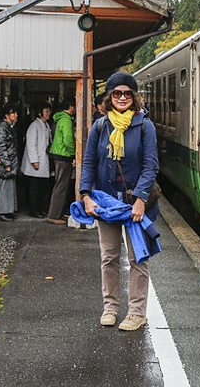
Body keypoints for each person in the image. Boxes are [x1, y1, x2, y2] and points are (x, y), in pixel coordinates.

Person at [79, 71, 159, 331]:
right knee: (109, 257)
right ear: (109, 97)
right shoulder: (101, 126)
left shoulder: (144, 125)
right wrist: (86, 196)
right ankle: (110, 307)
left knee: (138, 258)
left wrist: (140, 200)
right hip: (106, 203)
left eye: (127, 93)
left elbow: (150, 166)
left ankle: (137, 312)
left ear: (134, 97)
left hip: (134, 203)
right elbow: (89, 162)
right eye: (117, 93)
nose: (122, 97)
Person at [45, 98, 77, 224]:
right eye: (75, 106)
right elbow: (68, 139)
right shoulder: (66, 120)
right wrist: (74, 154)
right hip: (63, 155)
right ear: (71, 107)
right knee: (61, 186)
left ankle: (58, 213)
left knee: (61, 185)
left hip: (59, 154)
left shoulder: (62, 118)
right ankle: (53, 215)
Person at [21, 103, 53, 218]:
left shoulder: (46, 125)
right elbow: (31, 145)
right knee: (34, 188)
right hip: (35, 163)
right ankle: (34, 211)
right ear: (40, 113)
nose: (48, 113)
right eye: (46, 111)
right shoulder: (34, 126)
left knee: (41, 188)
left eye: (49, 111)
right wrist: (34, 161)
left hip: (43, 160)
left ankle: (40, 209)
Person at [0, 102, 20, 222]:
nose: (16, 115)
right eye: (13, 113)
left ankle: (8, 211)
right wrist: (6, 163)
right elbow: (1, 147)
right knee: (5, 186)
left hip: (11, 160)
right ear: (7, 115)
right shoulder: (2, 127)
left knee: (9, 186)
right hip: (6, 161)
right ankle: (2, 212)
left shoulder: (9, 126)